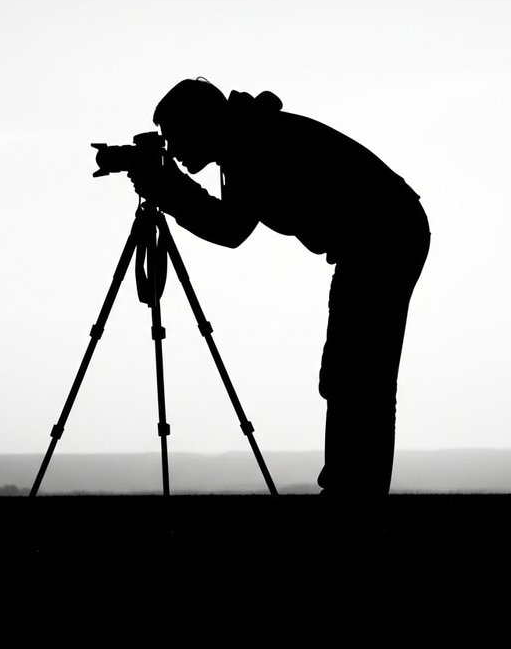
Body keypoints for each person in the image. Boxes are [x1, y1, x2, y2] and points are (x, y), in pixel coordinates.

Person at [128, 78, 430, 500]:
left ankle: (354, 494)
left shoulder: (249, 144)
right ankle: (353, 490)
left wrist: (167, 188)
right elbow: (230, 222)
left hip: (383, 237)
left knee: (356, 371)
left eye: (174, 137)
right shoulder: (248, 135)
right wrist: (170, 187)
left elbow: (229, 228)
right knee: (353, 371)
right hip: (382, 235)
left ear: (199, 125)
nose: (172, 150)